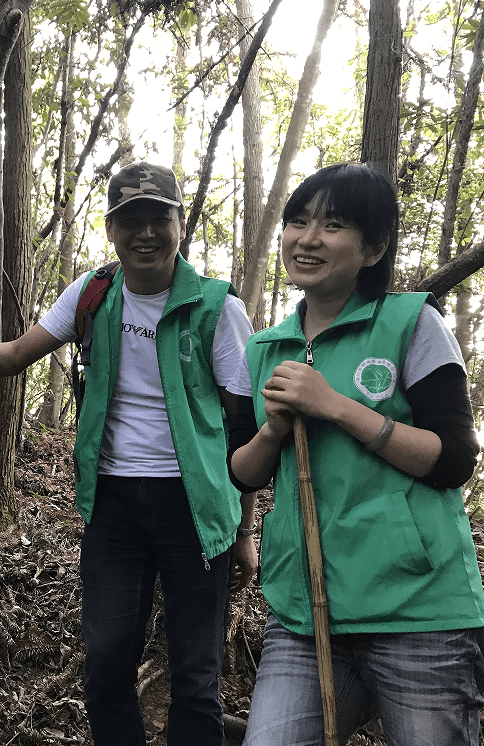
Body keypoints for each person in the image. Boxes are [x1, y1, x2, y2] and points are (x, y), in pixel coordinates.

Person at [0, 161, 256, 746]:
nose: (145, 233)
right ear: (111, 230)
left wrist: (246, 530)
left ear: (178, 223)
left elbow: (244, 429)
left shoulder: (218, 308)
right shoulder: (93, 294)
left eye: (157, 218)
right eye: (129, 221)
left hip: (197, 508)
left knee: (197, 676)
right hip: (114, 504)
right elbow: (16, 354)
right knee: (107, 664)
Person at [227, 163, 484, 745]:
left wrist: (337, 407)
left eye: (332, 225)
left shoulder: (412, 322)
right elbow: (239, 473)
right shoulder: (266, 348)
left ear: (373, 249)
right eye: (297, 222)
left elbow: (454, 460)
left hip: (418, 613)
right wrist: (270, 433)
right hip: (303, 612)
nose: (306, 239)